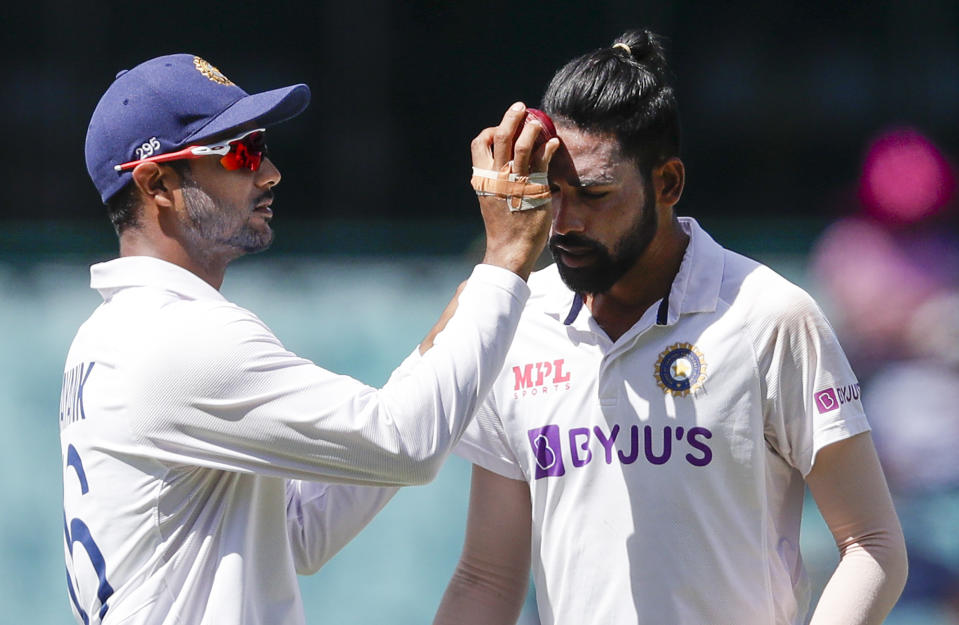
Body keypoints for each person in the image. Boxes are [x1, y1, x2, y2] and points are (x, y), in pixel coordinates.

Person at [62, 53, 558, 625]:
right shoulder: (181, 337)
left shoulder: (110, 333)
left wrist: (458, 319)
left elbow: (299, 532)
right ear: (158, 183)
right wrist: (507, 259)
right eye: (240, 152)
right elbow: (402, 444)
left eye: (260, 145)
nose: (269, 171)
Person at [432, 30, 908, 625]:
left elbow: (873, 546)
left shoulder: (770, 316)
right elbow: (486, 578)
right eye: (550, 191)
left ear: (668, 184)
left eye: (594, 194)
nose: (564, 221)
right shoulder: (519, 321)